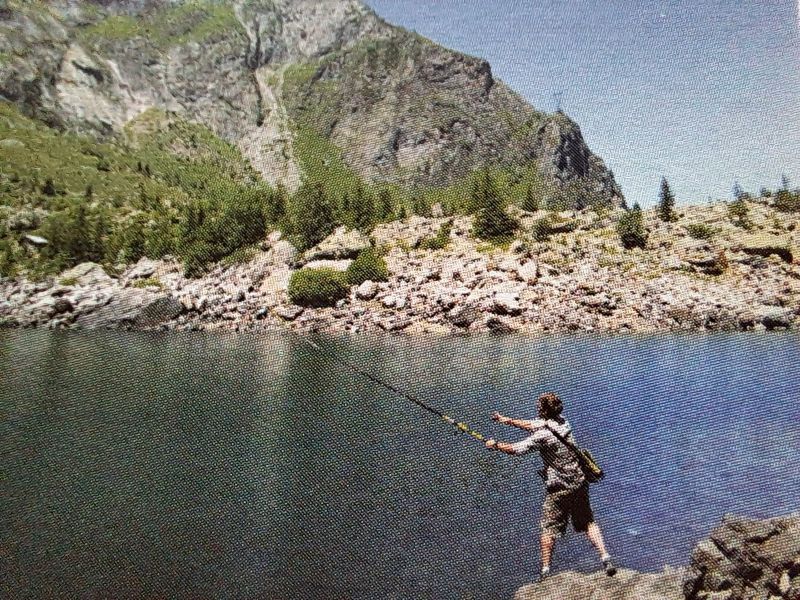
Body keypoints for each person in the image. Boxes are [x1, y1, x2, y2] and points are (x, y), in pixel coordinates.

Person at [484, 392, 617, 582]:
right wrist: (506, 420)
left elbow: (517, 449)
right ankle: (606, 558)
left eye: (539, 406)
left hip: (559, 488)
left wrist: (495, 444)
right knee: (587, 522)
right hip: (579, 482)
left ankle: (545, 572)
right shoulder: (563, 422)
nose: (537, 408)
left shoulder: (543, 436)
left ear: (544, 410)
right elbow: (533, 424)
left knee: (548, 529)